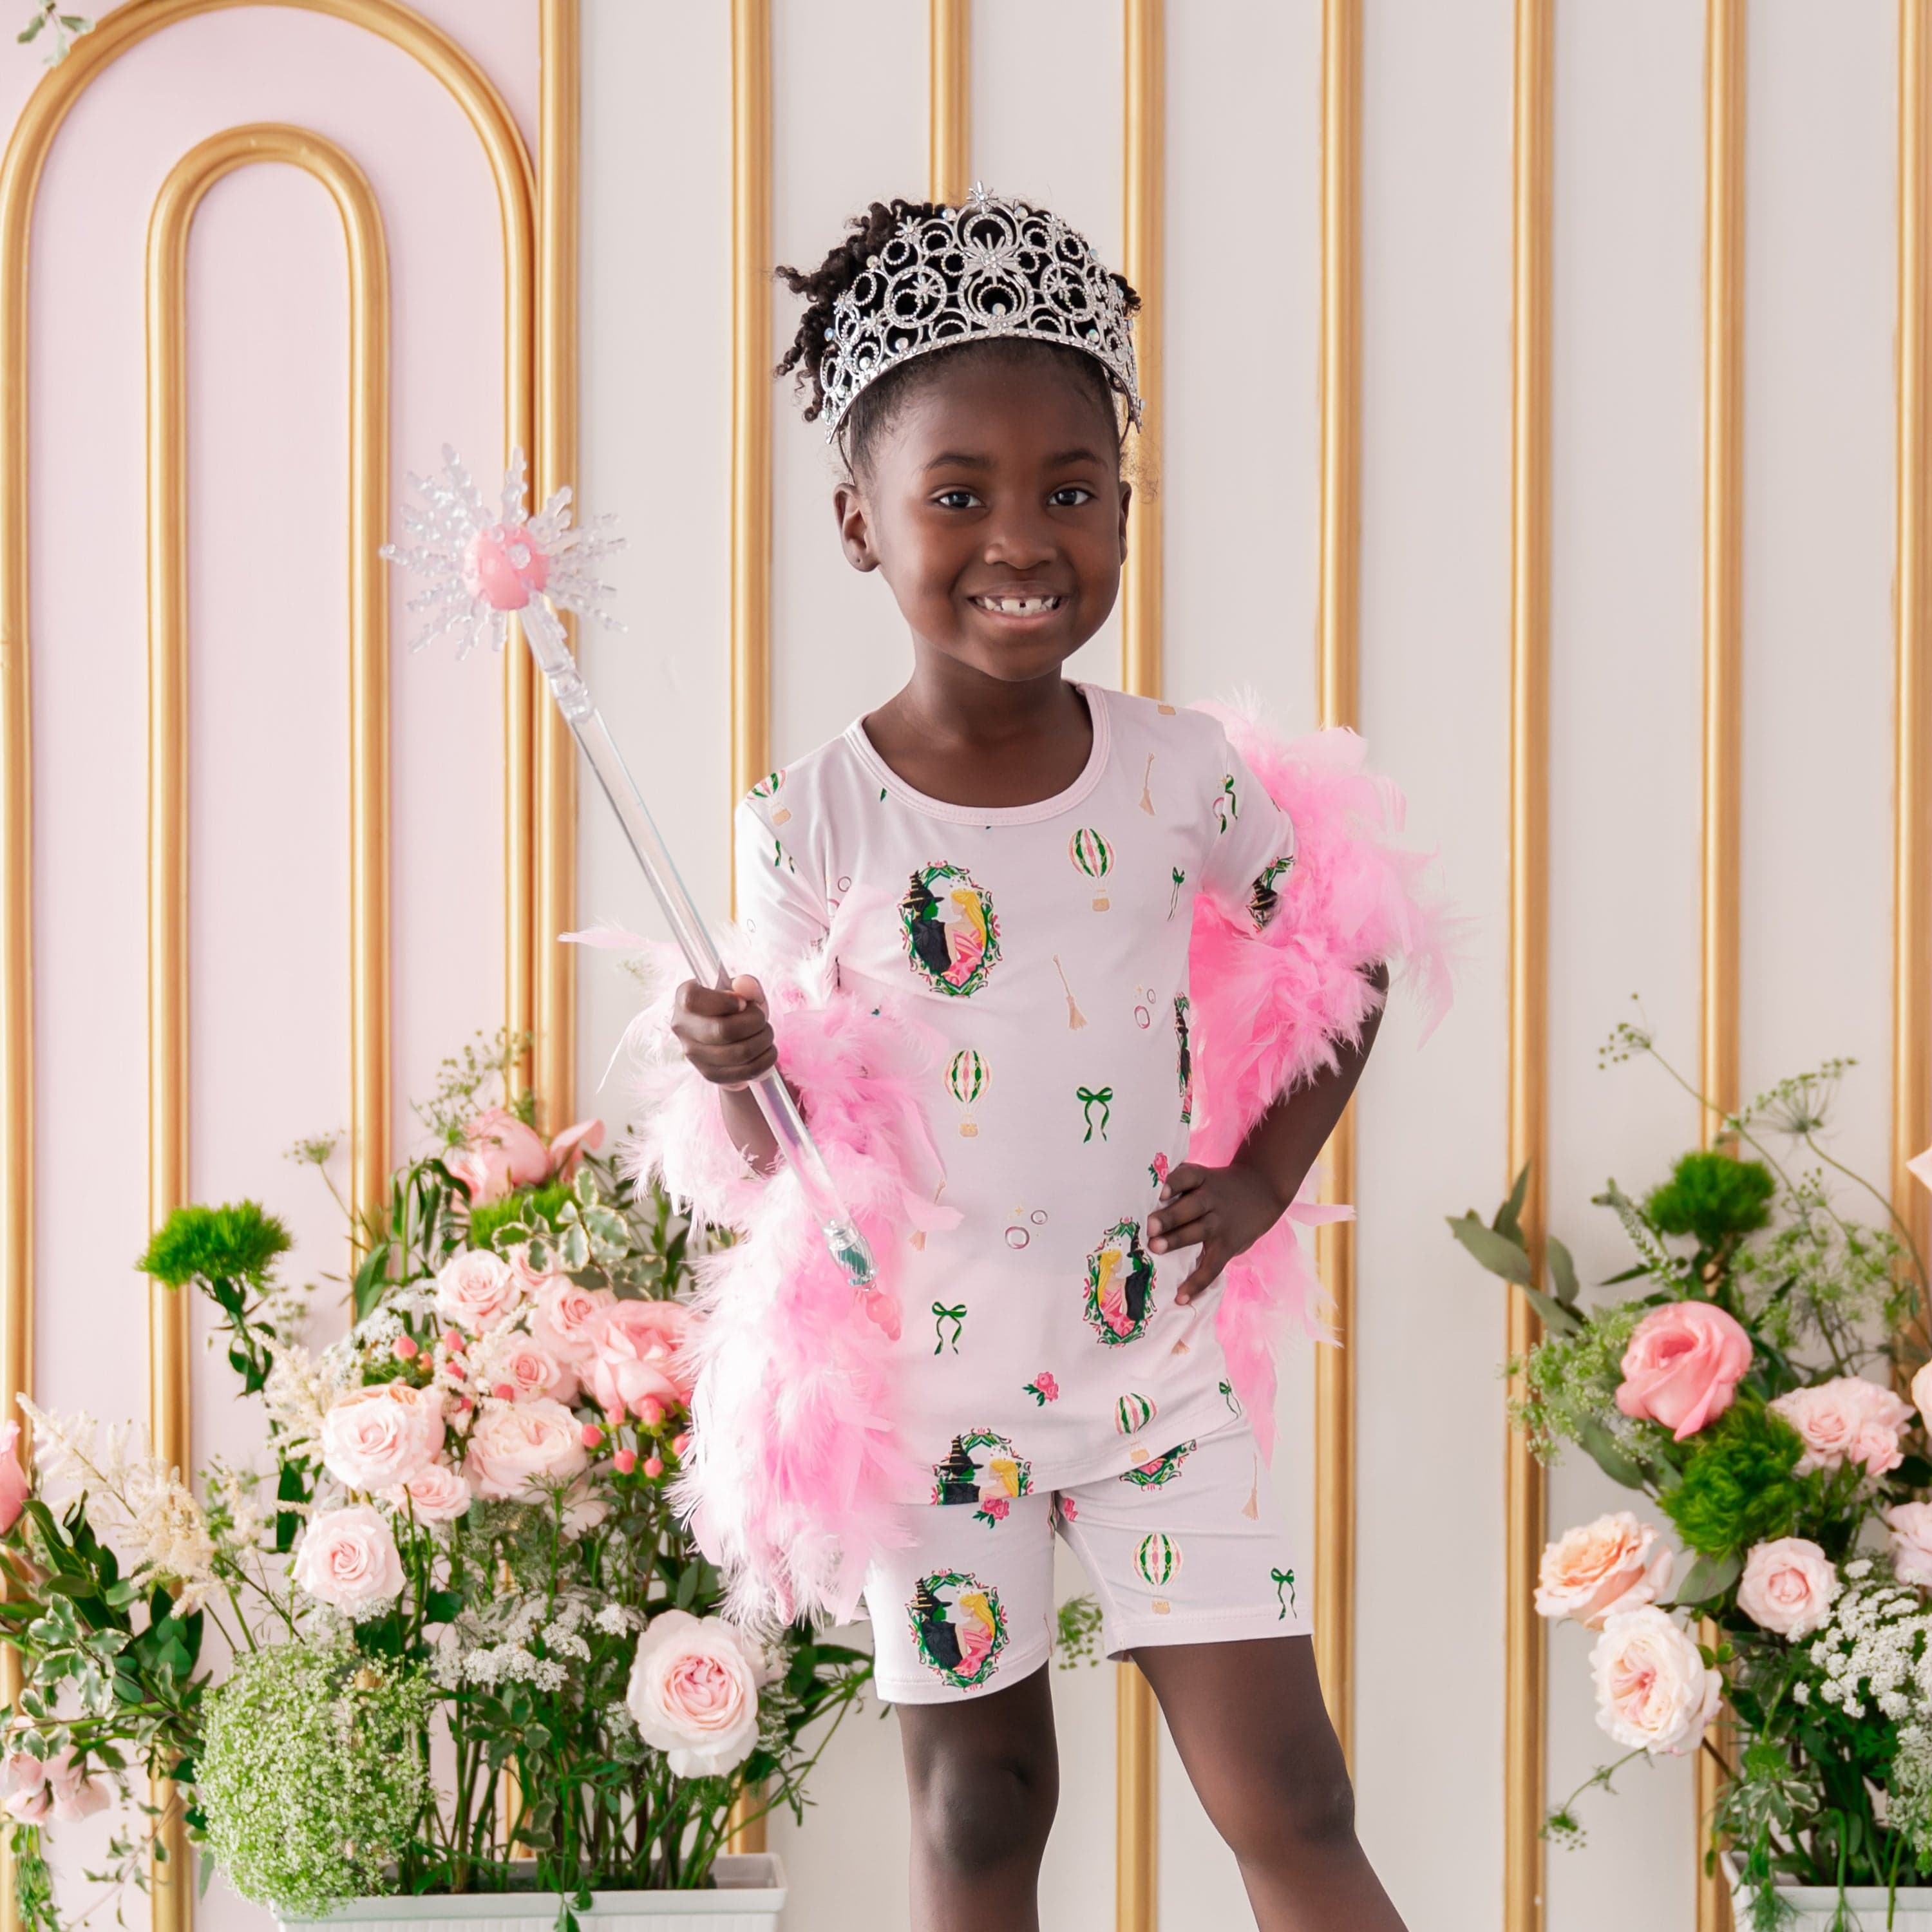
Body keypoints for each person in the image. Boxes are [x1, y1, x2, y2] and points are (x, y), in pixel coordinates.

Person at [650, 191, 1431, 1932]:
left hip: (1146, 1366)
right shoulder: (816, 818)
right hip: (931, 1394)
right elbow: (787, 1155)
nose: (1025, 537)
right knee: (985, 1809)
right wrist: (730, 1067)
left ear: (1125, 513)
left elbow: (1348, 948)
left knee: (1290, 1789)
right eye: (960, 496)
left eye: (1071, 491)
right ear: (861, 525)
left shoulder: (1181, 778)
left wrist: (1266, 1174)